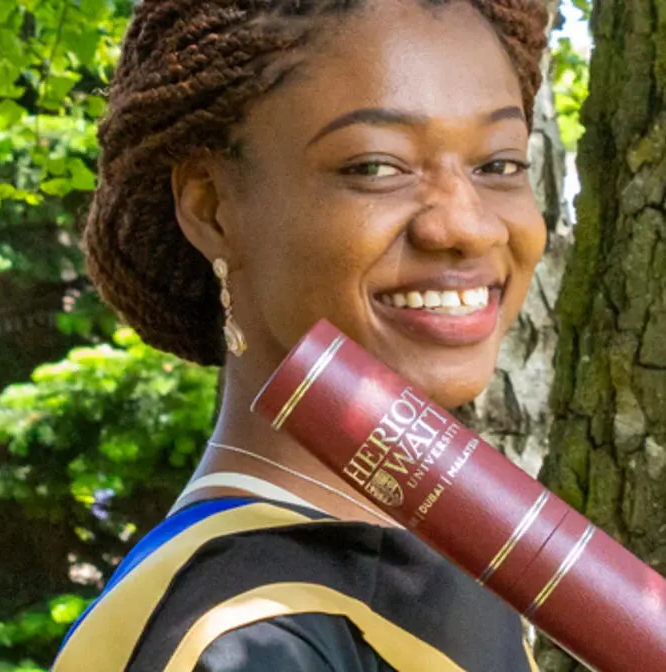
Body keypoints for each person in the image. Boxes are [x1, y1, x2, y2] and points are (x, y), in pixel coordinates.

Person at [53, 1, 550, 670]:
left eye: (499, 164)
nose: (468, 226)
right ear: (212, 208)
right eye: (376, 166)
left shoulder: (436, 573)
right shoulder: (240, 638)